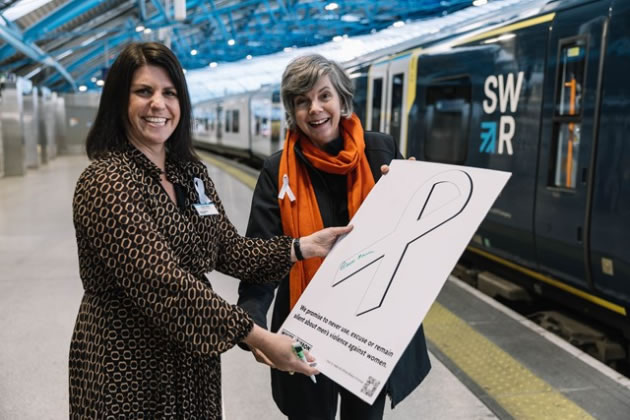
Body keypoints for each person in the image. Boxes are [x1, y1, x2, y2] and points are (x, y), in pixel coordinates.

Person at [68, 42, 351, 419]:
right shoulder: (107, 181)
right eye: (143, 92)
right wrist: (256, 335)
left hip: (190, 358)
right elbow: (162, 283)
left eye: (169, 93)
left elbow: (228, 249)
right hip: (128, 360)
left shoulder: (190, 173)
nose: (158, 104)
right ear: (120, 101)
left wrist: (302, 247)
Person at [237, 54, 431, 420]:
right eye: (301, 101)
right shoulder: (276, 171)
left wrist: (416, 193)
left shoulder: (381, 152)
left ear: (342, 100)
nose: (315, 109)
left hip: (369, 329)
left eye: (324, 96)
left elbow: (413, 243)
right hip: (305, 326)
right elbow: (261, 259)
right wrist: (254, 325)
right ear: (292, 111)